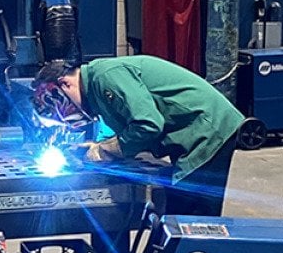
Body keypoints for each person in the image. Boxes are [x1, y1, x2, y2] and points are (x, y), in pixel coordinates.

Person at [34, 55, 245, 217]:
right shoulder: (98, 88)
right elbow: (130, 126)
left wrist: (107, 149)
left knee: (189, 216)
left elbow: (148, 124)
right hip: (193, 131)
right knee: (177, 212)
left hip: (207, 129)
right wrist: (99, 146)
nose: (64, 118)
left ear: (65, 84)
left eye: (56, 110)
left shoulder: (106, 76)